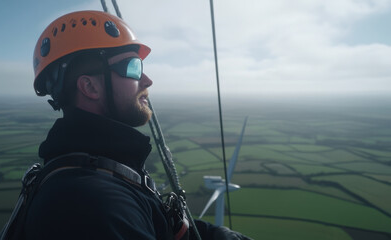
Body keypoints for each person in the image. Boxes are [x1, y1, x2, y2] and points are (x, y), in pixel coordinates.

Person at [24, 10, 251, 240]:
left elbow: (163, 227)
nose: (147, 80)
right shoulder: (93, 206)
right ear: (90, 87)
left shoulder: (105, 170)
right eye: (133, 67)